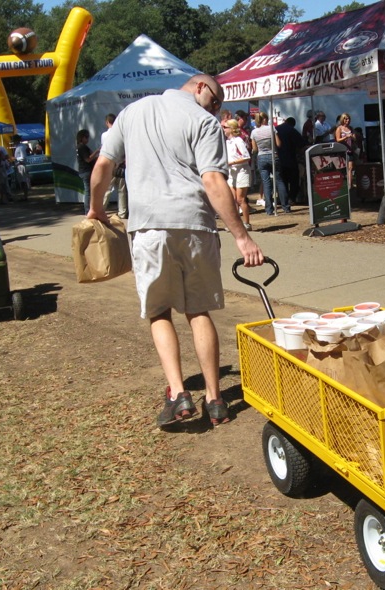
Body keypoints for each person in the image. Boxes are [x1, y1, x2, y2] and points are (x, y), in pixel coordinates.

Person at [86, 73, 264, 428]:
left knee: (159, 312)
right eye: (215, 102)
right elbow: (213, 180)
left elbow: (104, 165)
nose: (216, 111)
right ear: (200, 87)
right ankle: (215, 399)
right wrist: (241, 237)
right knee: (198, 310)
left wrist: (96, 207)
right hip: (194, 223)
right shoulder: (202, 122)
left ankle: (180, 393)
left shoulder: (132, 113)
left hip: (149, 227)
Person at [251, 111, 290, 214]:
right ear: (265, 119)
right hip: (273, 155)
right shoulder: (271, 128)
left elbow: (254, 149)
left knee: (266, 183)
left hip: (261, 157)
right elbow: (278, 143)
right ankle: (286, 206)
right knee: (279, 181)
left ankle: (269, 209)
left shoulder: (254, 132)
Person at [223, 118, 252, 230]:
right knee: (233, 199)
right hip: (231, 171)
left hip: (242, 171)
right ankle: (235, 224)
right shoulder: (226, 142)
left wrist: (232, 162)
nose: (223, 129)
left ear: (232, 129)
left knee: (240, 199)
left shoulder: (238, 141)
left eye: (225, 127)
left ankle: (247, 223)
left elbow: (246, 157)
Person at [100, 114, 128, 218]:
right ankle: (122, 212)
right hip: (120, 165)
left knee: (107, 189)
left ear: (107, 122)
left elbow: (104, 150)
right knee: (122, 191)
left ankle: (102, 209)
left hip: (110, 164)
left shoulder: (104, 135)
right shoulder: (122, 133)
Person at [275, 117, 307, 205]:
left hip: (278, 158)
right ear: (293, 124)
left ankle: (282, 198)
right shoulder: (292, 130)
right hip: (290, 158)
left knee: (282, 180)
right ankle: (291, 198)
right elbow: (301, 144)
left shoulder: (276, 129)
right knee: (294, 180)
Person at [76, 129, 97, 214]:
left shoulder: (79, 147)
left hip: (83, 171)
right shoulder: (82, 147)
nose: (87, 139)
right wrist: (97, 151)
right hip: (86, 171)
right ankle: (88, 211)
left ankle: (89, 210)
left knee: (89, 191)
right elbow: (88, 159)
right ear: (82, 138)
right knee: (88, 192)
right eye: (86, 137)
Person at [334, 112, 356, 188]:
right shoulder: (339, 128)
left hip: (350, 150)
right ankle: (341, 184)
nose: (348, 120)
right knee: (342, 168)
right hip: (342, 150)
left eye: (349, 119)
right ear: (342, 119)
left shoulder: (351, 128)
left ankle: (350, 185)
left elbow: (354, 138)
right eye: (346, 119)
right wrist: (346, 137)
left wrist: (352, 137)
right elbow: (338, 139)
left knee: (350, 167)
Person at [12, 134, 30, 201]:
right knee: (21, 181)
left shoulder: (21, 147)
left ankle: (25, 196)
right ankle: (24, 195)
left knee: (23, 181)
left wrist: (15, 158)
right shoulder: (18, 147)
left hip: (21, 165)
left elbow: (23, 157)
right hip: (19, 165)